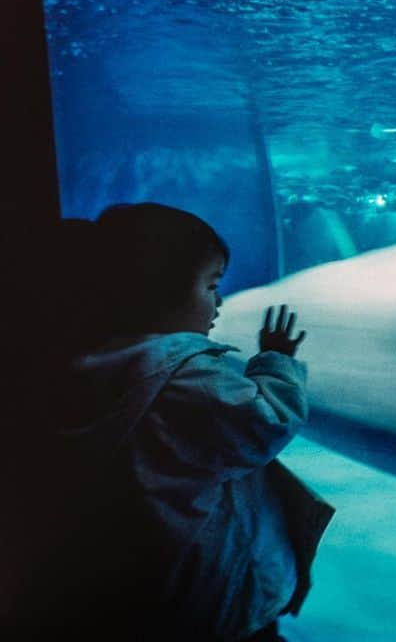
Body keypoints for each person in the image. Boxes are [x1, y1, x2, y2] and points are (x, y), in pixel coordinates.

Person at [9, 203, 334, 641]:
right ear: (157, 291)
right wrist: (276, 361)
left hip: (149, 580)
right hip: (214, 592)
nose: (218, 303)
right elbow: (267, 421)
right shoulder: (185, 374)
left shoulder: (84, 363)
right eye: (211, 286)